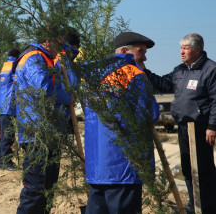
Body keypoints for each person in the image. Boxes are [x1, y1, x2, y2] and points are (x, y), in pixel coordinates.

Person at [84, 32, 160, 214]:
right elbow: (149, 114)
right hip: (124, 165)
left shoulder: (94, 75)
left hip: (98, 167)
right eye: (141, 52)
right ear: (125, 51)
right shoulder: (133, 74)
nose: (145, 57)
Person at [144, 33, 216, 214]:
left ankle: (208, 207)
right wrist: (144, 71)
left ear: (197, 49)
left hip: (200, 128)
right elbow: (163, 84)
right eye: (181, 48)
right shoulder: (180, 70)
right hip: (183, 127)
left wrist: (212, 127)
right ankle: (194, 206)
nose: (182, 52)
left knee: (203, 169)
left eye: (186, 48)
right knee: (188, 169)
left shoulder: (210, 69)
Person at [15, 28, 72, 214]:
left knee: (49, 186)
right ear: (48, 41)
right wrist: (66, 97)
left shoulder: (47, 58)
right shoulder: (33, 58)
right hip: (37, 132)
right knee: (35, 189)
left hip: (50, 129)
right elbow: (43, 87)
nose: (62, 45)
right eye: (60, 41)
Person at [0, 48, 20, 171]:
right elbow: (18, 81)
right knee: (7, 136)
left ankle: (2, 161)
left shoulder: (5, 65)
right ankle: (5, 163)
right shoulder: (14, 65)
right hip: (9, 105)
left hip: (2, 105)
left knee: (4, 136)